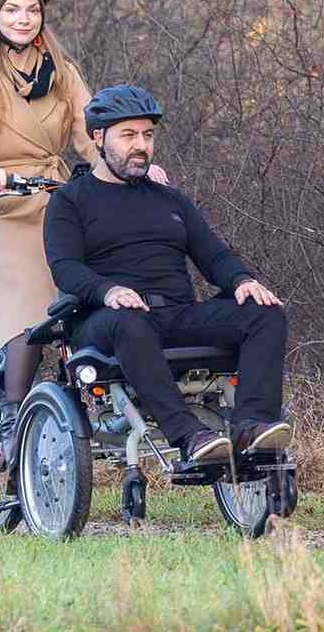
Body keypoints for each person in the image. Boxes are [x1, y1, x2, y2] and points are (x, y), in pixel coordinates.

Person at [0, 0, 164, 465]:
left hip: (55, 194)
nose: (24, 18)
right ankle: (11, 414)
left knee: (95, 287)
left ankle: (102, 398)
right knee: (30, 314)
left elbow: (93, 131)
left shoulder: (60, 70)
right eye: (13, 10)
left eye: (33, 10)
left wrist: (132, 165)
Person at [43, 84, 292, 462]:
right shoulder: (70, 201)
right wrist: (108, 290)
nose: (140, 145)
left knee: (265, 312)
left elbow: (212, 255)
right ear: (98, 137)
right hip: (106, 322)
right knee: (129, 321)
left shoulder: (169, 199)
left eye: (147, 135)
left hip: (176, 313)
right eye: (128, 135)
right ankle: (189, 435)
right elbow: (65, 268)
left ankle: (250, 426)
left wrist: (243, 281)